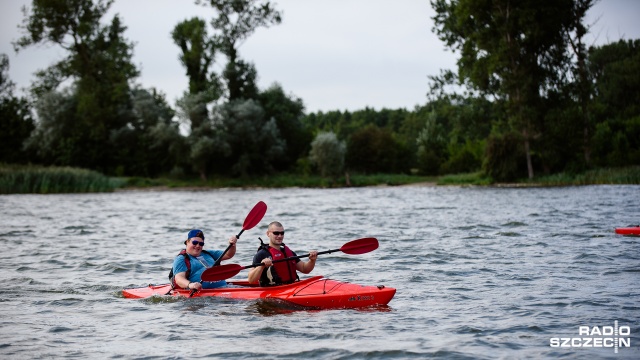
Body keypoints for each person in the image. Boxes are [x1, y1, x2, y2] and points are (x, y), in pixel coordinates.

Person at [247, 221, 318, 286]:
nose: (280, 236)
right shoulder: (261, 254)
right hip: (271, 290)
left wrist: (312, 260)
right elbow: (251, 280)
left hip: (290, 287)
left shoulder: (289, 252)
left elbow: (304, 269)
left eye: (282, 233)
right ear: (268, 234)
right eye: (276, 233)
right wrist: (261, 266)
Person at [171, 229, 237, 291]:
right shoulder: (181, 259)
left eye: (201, 244)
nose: (198, 246)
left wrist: (232, 245)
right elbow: (179, 278)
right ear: (187, 242)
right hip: (204, 293)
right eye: (195, 242)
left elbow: (228, 255)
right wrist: (191, 285)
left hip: (224, 288)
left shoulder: (208, 253)